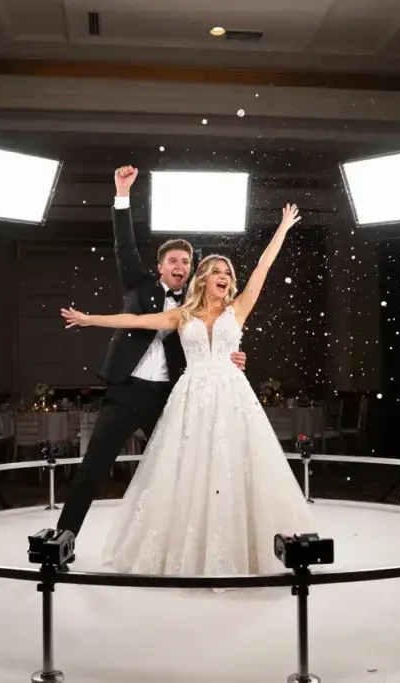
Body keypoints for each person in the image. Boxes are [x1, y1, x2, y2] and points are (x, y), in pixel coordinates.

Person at [61, 203, 315, 576]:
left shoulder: (239, 309)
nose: (223, 276)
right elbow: (134, 319)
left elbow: (263, 267)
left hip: (226, 398)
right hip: (176, 397)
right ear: (201, 278)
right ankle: (67, 539)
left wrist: (282, 229)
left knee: (227, 470)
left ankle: (240, 544)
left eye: (227, 272)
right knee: (167, 473)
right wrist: (89, 319)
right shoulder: (182, 315)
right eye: (215, 271)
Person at [54, 166, 247, 550]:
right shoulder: (137, 284)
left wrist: (234, 358)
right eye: (173, 261)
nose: (180, 267)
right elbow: (124, 244)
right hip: (125, 391)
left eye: (186, 263)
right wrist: (122, 195)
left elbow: (220, 335)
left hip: (172, 398)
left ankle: (185, 544)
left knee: (183, 470)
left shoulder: (195, 308)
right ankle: (66, 535)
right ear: (160, 267)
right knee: (93, 468)